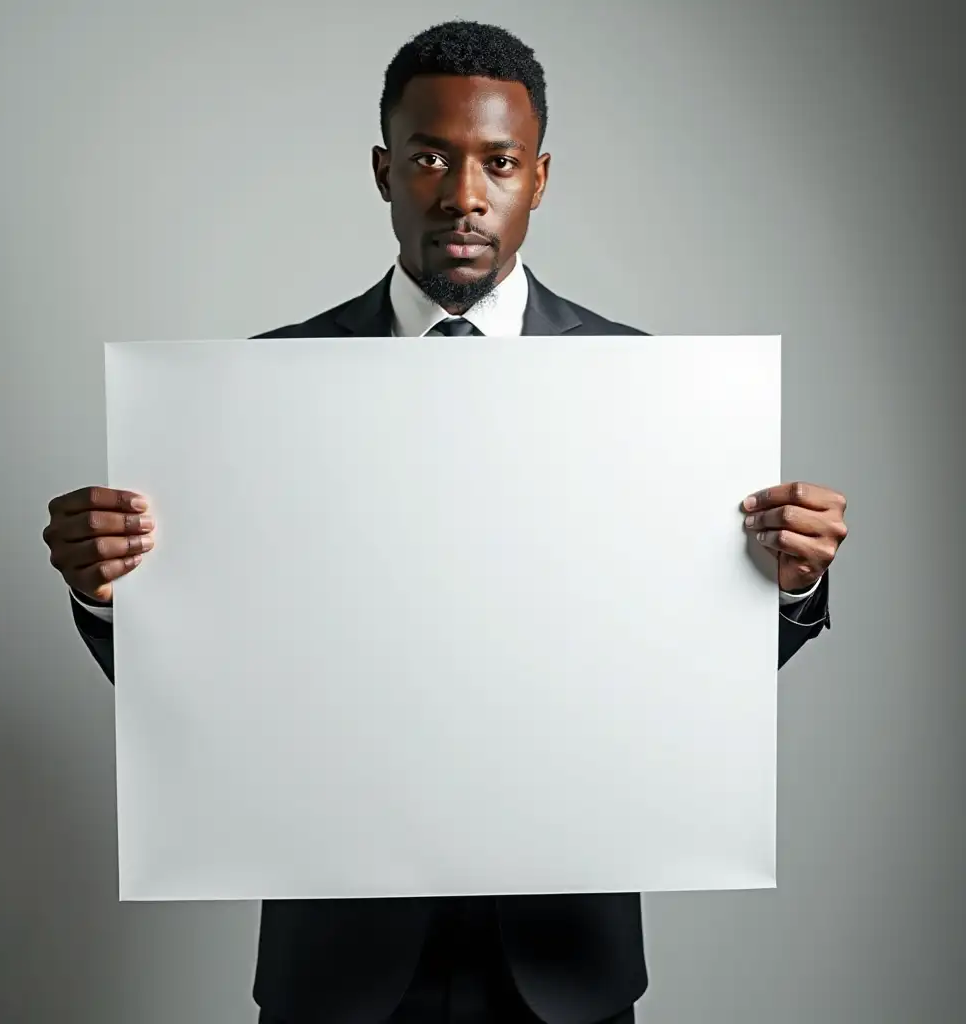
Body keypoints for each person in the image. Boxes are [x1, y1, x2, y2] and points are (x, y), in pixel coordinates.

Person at [41, 20, 848, 1024]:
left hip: (567, 960)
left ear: (539, 178)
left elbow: (689, 680)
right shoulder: (255, 395)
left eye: (499, 163)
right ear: (383, 171)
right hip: (339, 963)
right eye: (429, 157)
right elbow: (209, 682)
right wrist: (108, 589)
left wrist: (789, 579)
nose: (465, 194)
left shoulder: (651, 394)